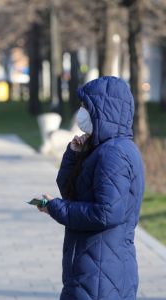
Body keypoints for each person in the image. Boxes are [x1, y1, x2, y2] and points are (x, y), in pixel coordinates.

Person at [37, 76, 145, 300]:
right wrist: (74, 155)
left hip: (100, 271)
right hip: (95, 265)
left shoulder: (113, 154)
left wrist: (57, 209)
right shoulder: (105, 148)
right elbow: (72, 193)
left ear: (103, 110)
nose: (81, 112)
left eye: (86, 107)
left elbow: (105, 212)